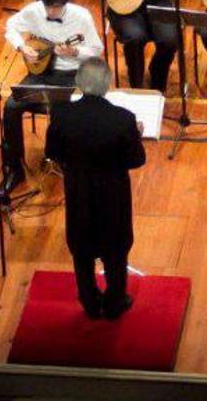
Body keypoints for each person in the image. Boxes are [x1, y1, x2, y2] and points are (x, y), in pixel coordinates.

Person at [45, 57, 147, 319]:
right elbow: (136, 160)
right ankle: (115, 300)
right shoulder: (123, 119)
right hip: (113, 194)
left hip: (78, 191)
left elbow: (52, 152)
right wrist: (136, 135)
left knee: (81, 246)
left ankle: (89, 300)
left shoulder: (61, 114)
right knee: (116, 247)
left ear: (79, 82)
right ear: (107, 85)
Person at [0, 0, 105, 193]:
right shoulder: (34, 10)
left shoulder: (81, 16)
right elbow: (10, 26)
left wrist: (76, 51)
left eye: (56, 8)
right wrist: (22, 47)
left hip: (70, 74)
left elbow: (96, 50)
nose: (50, 12)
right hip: (40, 73)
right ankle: (14, 169)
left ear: (66, 2)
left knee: (61, 108)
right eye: (47, 7)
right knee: (10, 107)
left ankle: (60, 157)